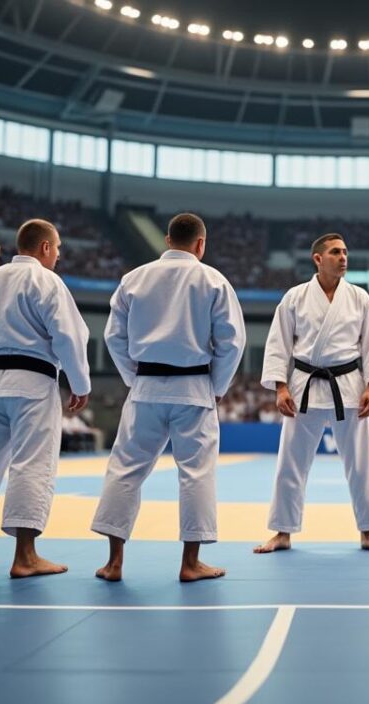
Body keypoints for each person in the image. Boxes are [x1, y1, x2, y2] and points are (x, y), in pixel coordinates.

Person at [92, 212, 246, 582]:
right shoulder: (212, 280)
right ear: (201, 244)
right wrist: (216, 386)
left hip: (145, 388)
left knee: (125, 469)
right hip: (193, 389)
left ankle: (114, 562)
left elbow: (114, 337)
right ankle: (190, 564)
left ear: (167, 240)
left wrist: (135, 377)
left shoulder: (134, 279)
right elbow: (232, 342)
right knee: (196, 474)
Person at [0, 219, 91, 578]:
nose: (58, 255)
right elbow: (69, 336)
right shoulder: (47, 281)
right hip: (32, 382)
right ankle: (25, 556)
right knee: (32, 463)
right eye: (57, 248)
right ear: (44, 248)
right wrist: (79, 381)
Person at [256, 232, 369, 554]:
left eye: (345, 252)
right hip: (304, 385)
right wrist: (280, 386)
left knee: (361, 463)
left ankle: (368, 531)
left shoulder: (360, 298)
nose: (343, 257)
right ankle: (282, 532)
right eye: (335, 252)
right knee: (291, 462)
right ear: (318, 259)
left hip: (349, 386)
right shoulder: (295, 297)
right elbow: (279, 344)